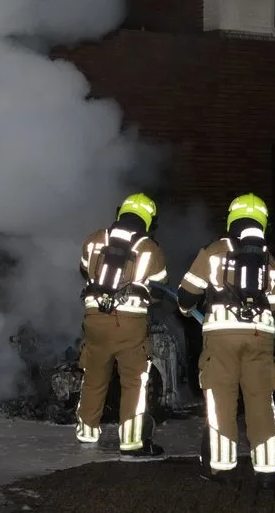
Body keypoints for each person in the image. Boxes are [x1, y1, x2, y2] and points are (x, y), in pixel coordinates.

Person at [176, 193, 275, 489]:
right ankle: (269, 471)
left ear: (231, 219)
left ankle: (222, 468)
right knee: (260, 400)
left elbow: (186, 294)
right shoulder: (270, 259)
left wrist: (187, 309)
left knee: (221, 399)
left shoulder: (214, 251)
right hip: (260, 337)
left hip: (221, 337)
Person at [76, 192, 169, 458]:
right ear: (148, 220)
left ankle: (86, 431)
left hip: (94, 319)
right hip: (129, 324)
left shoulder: (95, 238)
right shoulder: (150, 248)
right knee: (134, 382)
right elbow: (160, 287)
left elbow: (84, 270)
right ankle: (131, 441)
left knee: (94, 377)